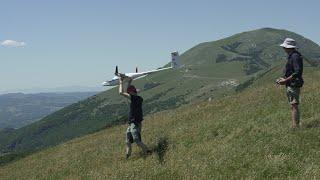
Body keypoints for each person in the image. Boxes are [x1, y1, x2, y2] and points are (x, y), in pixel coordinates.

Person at [119, 75, 150, 159]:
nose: (128, 93)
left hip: (134, 123)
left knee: (137, 141)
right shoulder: (138, 98)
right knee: (128, 142)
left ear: (131, 93)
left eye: (129, 92)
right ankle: (127, 157)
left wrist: (121, 81)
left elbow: (121, 92)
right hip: (132, 124)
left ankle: (148, 152)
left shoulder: (134, 98)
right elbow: (128, 91)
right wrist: (129, 81)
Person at [276, 38, 304, 128]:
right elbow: (292, 71)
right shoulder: (292, 56)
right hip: (291, 83)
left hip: (293, 84)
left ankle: (295, 126)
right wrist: (283, 78)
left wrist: (285, 80)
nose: (283, 48)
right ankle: (295, 125)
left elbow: (297, 72)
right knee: (293, 105)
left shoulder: (295, 56)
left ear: (289, 47)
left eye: (284, 47)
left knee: (294, 105)